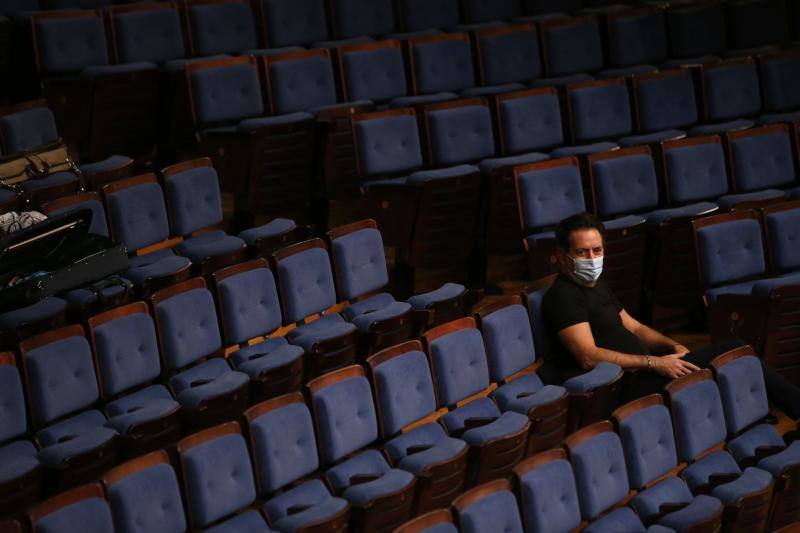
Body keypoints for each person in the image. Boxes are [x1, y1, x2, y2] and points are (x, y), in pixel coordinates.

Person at [541, 212, 800, 419]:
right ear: (563, 257)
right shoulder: (563, 296)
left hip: (648, 370)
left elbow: (635, 327)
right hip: (623, 386)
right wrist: (656, 363)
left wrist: (671, 346)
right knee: (735, 350)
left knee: (734, 359)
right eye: (582, 252)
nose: (592, 258)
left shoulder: (597, 285)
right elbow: (588, 356)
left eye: (597, 250)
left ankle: (751, 424)